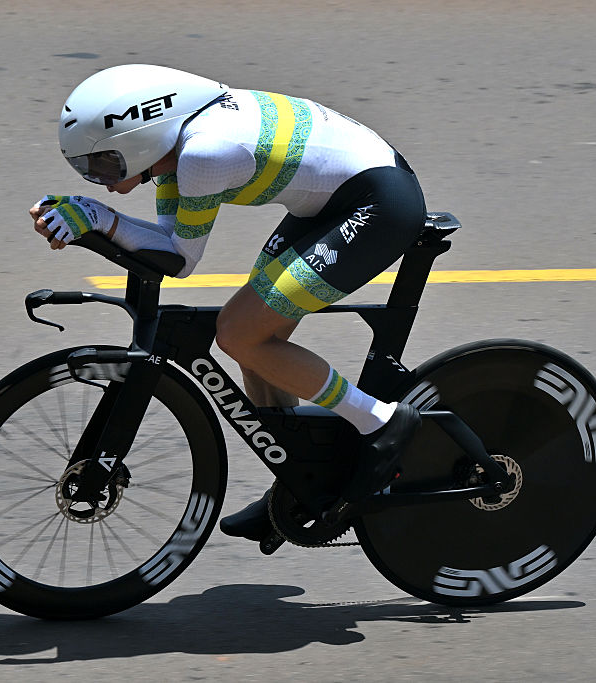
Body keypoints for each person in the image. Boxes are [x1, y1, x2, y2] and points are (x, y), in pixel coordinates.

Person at [30, 64, 425, 542]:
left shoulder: (205, 153)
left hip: (377, 206)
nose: (102, 180)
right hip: (333, 202)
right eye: (85, 170)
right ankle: (300, 483)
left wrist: (98, 218)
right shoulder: (173, 148)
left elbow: (179, 259)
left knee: (240, 334)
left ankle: (381, 421)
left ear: (141, 139)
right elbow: (165, 244)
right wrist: (94, 219)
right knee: (258, 346)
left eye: (105, 165)